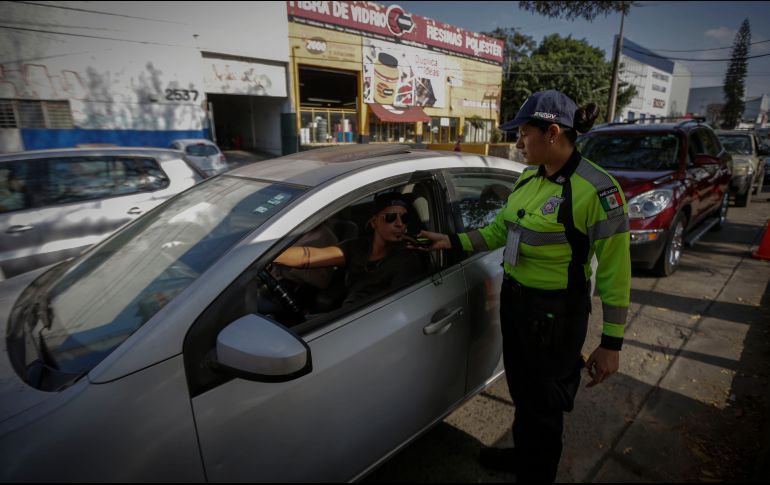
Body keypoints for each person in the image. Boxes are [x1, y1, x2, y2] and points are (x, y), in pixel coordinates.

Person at [415, 90, 631, 482]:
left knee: (544, 406)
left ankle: (537, 473)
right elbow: (501, 228)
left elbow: (617, 271)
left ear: (552, 132)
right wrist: (455, 242)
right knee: (522, 392)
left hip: (557, 316)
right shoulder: (530, 178)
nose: (516, 143)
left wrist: (612, 342)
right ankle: (525, 455)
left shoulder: (597, 191)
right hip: (517, 305)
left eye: (522, 134)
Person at [273, 192, 423, 310]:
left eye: (404, 218)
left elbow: (397, 306)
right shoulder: (357, 247)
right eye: (390, 217)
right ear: (374, 222)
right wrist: (264, 254)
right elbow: (308, 256)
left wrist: (423, 241)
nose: (399, 224)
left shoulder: (407, 259)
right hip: (347, 315)